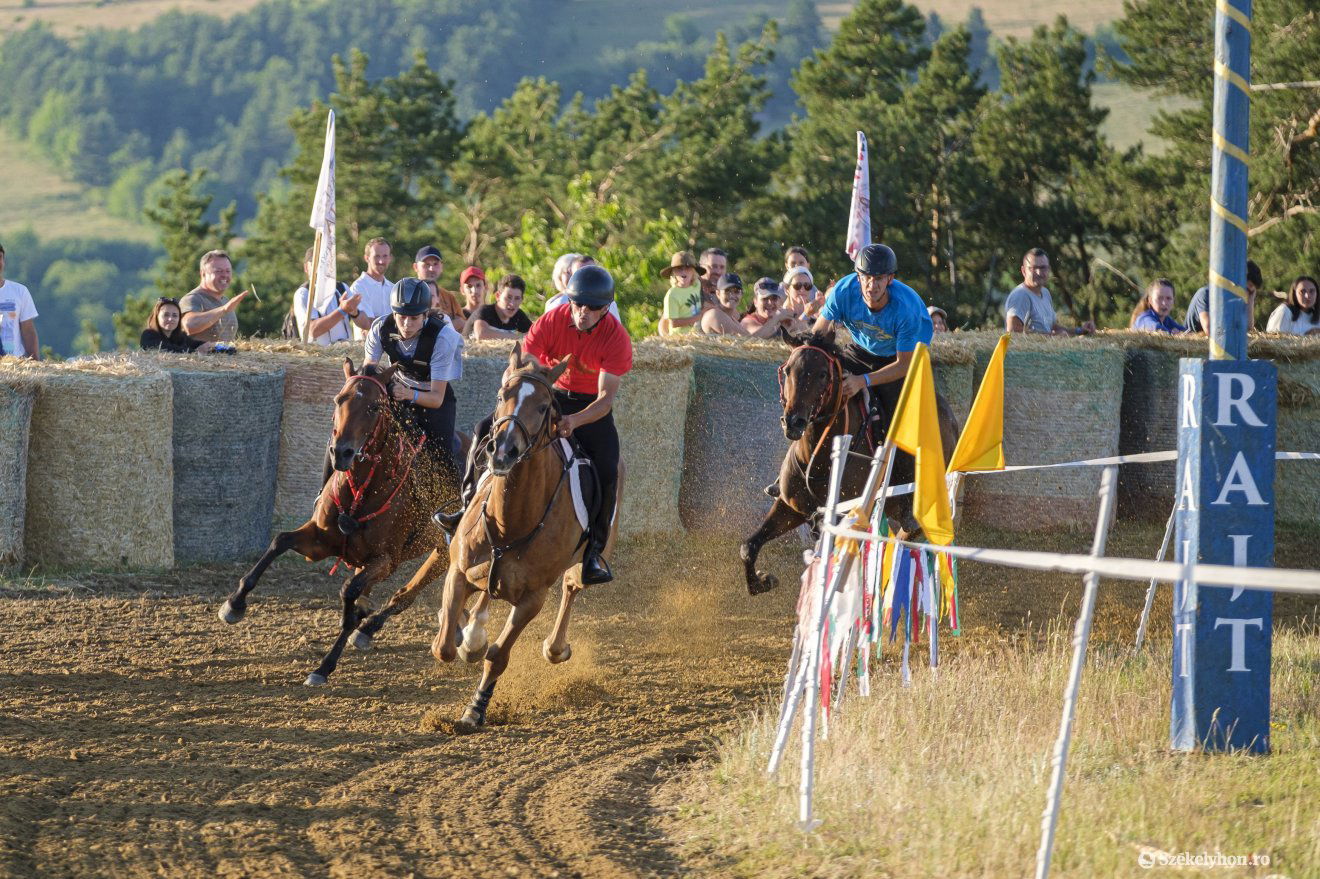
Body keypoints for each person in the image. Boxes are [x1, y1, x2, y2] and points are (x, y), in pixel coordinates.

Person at [435, 265, 632, 585]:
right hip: (548, 394)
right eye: (578, 304)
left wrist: (574, 421)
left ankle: (594, 550)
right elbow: (524, 365)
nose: (583, 312)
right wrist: (513, 396)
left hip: (588, 407)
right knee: (483, 429)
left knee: (609, 468)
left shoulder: (617, 338)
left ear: (606, 308)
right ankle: (464, 506)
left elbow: (605, 399)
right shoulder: (552, 320)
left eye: (593, 307)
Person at [766, 244, 932, 501]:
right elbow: (819, 335)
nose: (871, 285)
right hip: (860, 349)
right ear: (858, 277)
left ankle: (907, 496)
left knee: (901, 419)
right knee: (819, 395)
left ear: (890, 279)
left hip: (900, 358)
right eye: (866, 277)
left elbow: (903, 365)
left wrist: (862, 381)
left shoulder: (906, 309)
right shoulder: (844, 291)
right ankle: (788, 473)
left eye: (878, 279)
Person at [360, 277, 464, 483]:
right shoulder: (380, 327)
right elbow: (368, 372)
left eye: (414, 318)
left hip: (433, 400)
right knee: (349, 432)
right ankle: (325, 489)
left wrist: (409, 394)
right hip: (397, 389)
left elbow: (436, 399)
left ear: (426, 315)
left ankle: (453, 502)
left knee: (443, 458)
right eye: (401, 317)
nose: (406, 324)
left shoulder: (443, 338)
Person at [1004, 248, 1096, 336]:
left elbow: (1052, 328)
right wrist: (1054, 337)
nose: (1039, 272)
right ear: (1023, 271)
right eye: (1034, 268)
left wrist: (1080, 330)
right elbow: (1013, 333)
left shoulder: (1045, 293)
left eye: (1043, 268)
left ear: (1048, 270)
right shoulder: (1020, 295)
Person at [293, 246, 370, 345]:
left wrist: (355, 312)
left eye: (325, 263)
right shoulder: (303, 293)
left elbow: (365, 324)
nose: (321, 268)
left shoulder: (341, 287)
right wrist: (342, 311)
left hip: (346, 352)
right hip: (319, 355)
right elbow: (311, 331)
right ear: (306, 268)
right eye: (316, 263)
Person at [180, 250, 249, 343]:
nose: (225, 275)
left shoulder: (225, 301)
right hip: (200, 358)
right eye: (219, 271)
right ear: (203, 274)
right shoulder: (193, 299)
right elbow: (189, 325)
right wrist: (223, 310)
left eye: (228, 271)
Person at [1184, 260, 1262, 334]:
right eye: (1246, 289)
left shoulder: (1235, 301)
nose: (1246, 294)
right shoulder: (1205, 294)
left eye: (1250, 292)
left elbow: (1248, 330)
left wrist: (1251, 301)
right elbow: (1209, 329)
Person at [544, 254, 623, 323]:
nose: (587, 278)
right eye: (581, 273)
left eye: (591, 273)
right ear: (572, 275)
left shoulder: (608, 303)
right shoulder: (558, 303)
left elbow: (616, 335)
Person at [348, 237, 394, 341]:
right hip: (364, 351)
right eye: (376, 256)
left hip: (391, 351)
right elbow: (368, 324)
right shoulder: (358, 287)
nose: (381, 261)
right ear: (367, 258)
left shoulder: (393, 288)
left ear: (390, 258)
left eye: (385, 256)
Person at [413, 245, 466, 333]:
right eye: (426, 264)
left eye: (435, 264)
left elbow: (462, 322)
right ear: (415, 267)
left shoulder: (448, 297)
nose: (432, 269)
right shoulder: (408, 292)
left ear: (442, 266)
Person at [0, 240, 39, 359]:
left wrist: (36, 365)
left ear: (4, 261)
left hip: (14, 364)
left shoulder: (19, 291)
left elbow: (28, 330)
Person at [140, 297, 217, 353]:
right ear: (157, 317)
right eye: (166, 315)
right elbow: (166, 349)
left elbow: (196, 344)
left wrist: (211, 346)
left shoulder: (180, 336)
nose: (170, 319)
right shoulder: (148, 335)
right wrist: (196, 352)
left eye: (175, 315)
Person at [471, 274, 534, 340]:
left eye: (517, 298)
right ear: (498, 296)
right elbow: (481, 334)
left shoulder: (519, 316)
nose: (512, 303)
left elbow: (536, 335)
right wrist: (518, 337)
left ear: (521, 300)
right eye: (508, 297)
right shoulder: (485, 311)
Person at [657, 251, 706, 336]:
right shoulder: (672, 295)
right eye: (679, 268)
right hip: (680, 337)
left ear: (693, 271)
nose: (683, 271)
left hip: (697, 334)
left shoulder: (696, 284)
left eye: (687, 268)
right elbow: (673, 323)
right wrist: (697, 318)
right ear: (673, 272)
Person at [458, 266, 489, 335]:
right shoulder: (458, 316)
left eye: (478, 285)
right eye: (469, 286)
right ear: (462, 290)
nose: (474, 291)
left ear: (485, 287)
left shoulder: (495, 314)